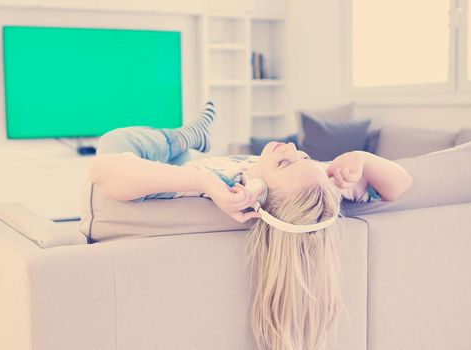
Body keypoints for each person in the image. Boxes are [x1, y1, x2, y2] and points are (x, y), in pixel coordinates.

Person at [88, 101, 412, 350]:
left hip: (172, 163)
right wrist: (361, 159)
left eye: (284, 162)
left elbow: (102, 170)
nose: (292, 149)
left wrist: (201, 178)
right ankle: (189, 141)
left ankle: (181, 137)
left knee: (115, 141)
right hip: (197, 163)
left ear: (259, 194)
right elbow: (400, 184)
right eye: (305, 158)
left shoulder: (223, 185)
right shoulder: (318, 192)